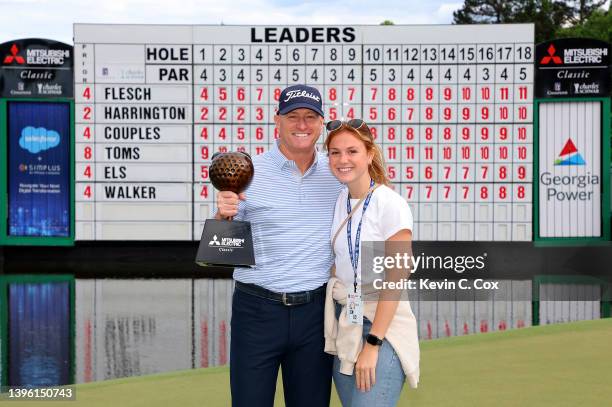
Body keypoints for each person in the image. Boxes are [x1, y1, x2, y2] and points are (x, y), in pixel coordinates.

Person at [214, 85, 342, 407]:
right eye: (293, 117)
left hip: (316, 312)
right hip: (257, 310)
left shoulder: (336, 172)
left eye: (310, 117)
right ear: (277, 121)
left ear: (321, 122)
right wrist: (222, 216)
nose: (302, 125)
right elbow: (222, 251)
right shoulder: (247, 171)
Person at [323, 119, 420, 406]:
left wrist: (374, 343)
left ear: (370, 154)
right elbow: (340, 263)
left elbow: (397, 277)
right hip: (347, 323)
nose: (343, 160)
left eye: (352, 151)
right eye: (335, 153)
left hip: (382, 329)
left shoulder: (389, 203)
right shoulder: (340, 200)